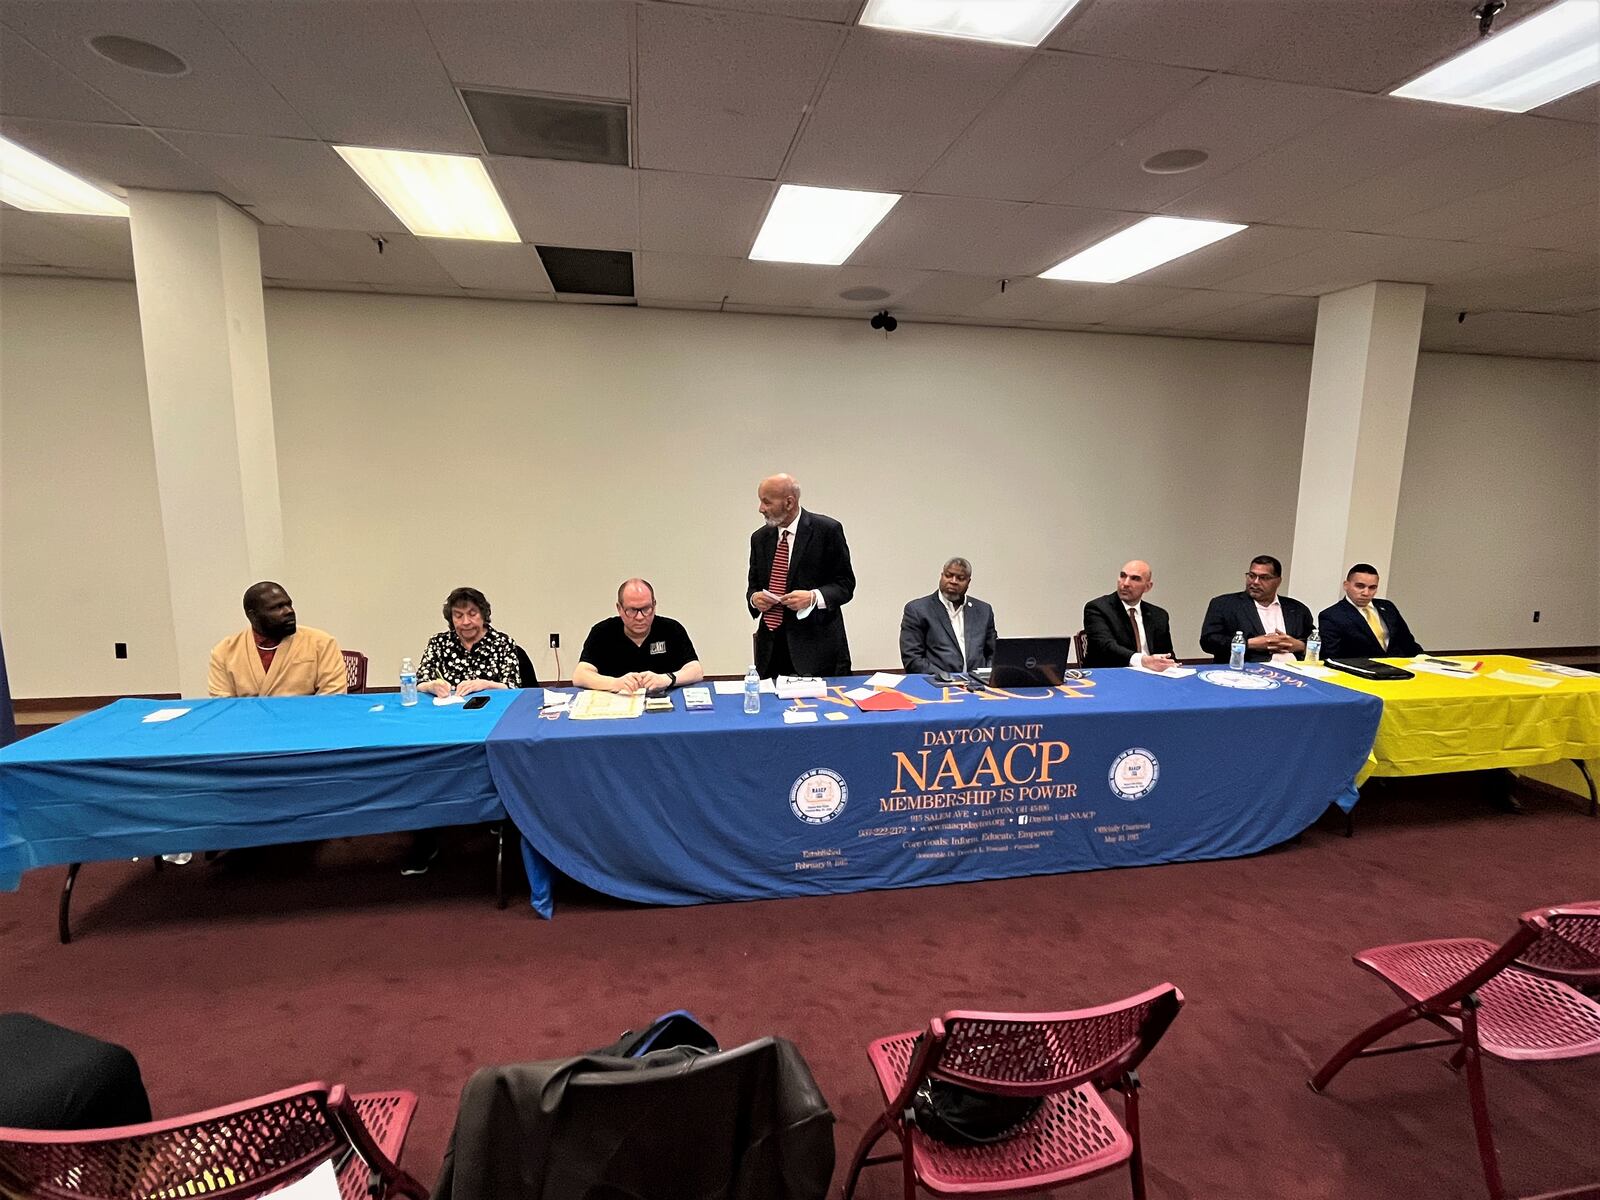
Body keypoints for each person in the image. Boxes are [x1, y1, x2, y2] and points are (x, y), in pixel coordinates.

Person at [747, 473, 855, 678]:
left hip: (817, 650)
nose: (761, 508)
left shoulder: (827, 530)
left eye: (766, 502)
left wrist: (813, 597)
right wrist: (755, 599)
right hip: (770, 651)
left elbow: (845, 585)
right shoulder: (759, 538)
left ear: (789, 502)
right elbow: (753, 586)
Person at [207, 581, 346, 697]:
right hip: (250, 726)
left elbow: (332, 696)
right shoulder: (224, 651)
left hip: (306, 724)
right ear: (253, 616)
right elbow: (222, 705)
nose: (289, 611)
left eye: (289, 604)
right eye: (277, 607)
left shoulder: (321, 643)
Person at [573, 579, 704, 693]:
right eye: (632, 610)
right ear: (619, 608)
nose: (640, 617)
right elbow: (580, 675)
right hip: (618, 706)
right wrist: (615, 683)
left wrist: (666, 679)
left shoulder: (672, 629)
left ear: (654, 605)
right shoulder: (602, 632)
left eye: (646, 609)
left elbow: (696, 671)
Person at [1199, 555, 1312, 664]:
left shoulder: (1297, 609)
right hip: (1245, 673)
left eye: (1264, 578)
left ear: (1278, 581)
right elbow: (1208, 642)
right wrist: (1250, 643)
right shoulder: (1224, 604)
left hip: (1294, 674)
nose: (1255, 582)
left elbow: (1318, 643)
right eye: (1252, 576)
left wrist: (1300, 646)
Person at [416, 587, 524, 698]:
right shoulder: (438, 643)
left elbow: (513, 687)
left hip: (492, 710)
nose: (466, 622)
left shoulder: (502, 643)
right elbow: (419, 682)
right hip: (448, 711)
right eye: (458, 616)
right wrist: (431, 686)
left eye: (472, 614)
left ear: (483, 614)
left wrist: (484, 684)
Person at [900, 557, 997, 675]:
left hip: (979, 684)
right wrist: (947, 678)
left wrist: (987, 675)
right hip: (937, 685)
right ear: (941, 576)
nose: (953, 581)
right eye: (949, 575)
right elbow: (912, 659)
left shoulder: (983, 611)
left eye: (960, 578)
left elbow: (994, 652)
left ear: (968, 582)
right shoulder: (918, 610)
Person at [1082, 560, 1177, 670]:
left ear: (1148, 587)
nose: (1125, 583)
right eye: (1123, 576)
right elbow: (1105, 646)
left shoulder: (1159, 615)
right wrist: (1143, 660)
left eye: (1135, 578)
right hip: (1113, 675)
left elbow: (1167, 654)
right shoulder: (1097, 608)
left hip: (1152, 678)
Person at [1317, 563, 1425, 660]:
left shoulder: (1388, 607)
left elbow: (1407, 642)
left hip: (1399, 667)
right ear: (1346, 585)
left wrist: (1425, 660)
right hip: (1362, 672)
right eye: (1360, 586)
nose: (1366, 592)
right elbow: (1331, 656)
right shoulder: (1332, 615)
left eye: (1372, 588)